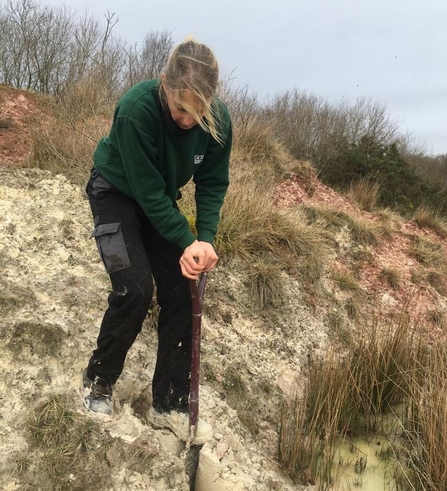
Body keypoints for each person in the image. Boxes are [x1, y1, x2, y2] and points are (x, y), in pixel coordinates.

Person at [82, 38, 232, 444]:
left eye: (199, 111)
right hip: (114, 194)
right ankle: (98, 381)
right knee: (134, 287)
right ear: (164, 83)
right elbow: (146, 192)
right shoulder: (136, 110)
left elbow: (212, 183)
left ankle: (168, 401)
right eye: (181, 107)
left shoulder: (218, 121)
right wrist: (184, 238)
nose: (188, 120)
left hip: (159, 202)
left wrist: (203, 240)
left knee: (184, 289)